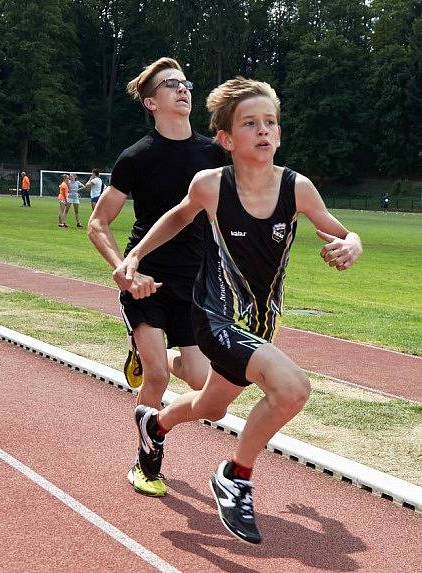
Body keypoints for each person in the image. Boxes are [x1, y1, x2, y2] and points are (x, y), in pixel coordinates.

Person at [116, 77, 363, 545]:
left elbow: (342, 232)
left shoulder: (298, 188)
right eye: (250, 123)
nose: (264, 130)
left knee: (212, 405)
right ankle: (236, 475)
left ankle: (155, 423)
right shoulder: (211, 185)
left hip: (260, 326)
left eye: (270, 122)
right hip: (213, 318)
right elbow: (176, 215)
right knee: (291, 389)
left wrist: (351, 245)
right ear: (226, 139)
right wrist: (134, 257)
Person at [87, 57, 226, 498]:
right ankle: (146, 463)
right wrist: (122, 269)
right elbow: (97, 223)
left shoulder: (213, 154)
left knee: (203, 382)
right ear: (152, 102)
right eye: (170, 85)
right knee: (158, 381)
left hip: (196, 282)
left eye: (185, 82)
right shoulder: (136, 157)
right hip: (146, 278)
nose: (182, 90)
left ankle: (152, 356)